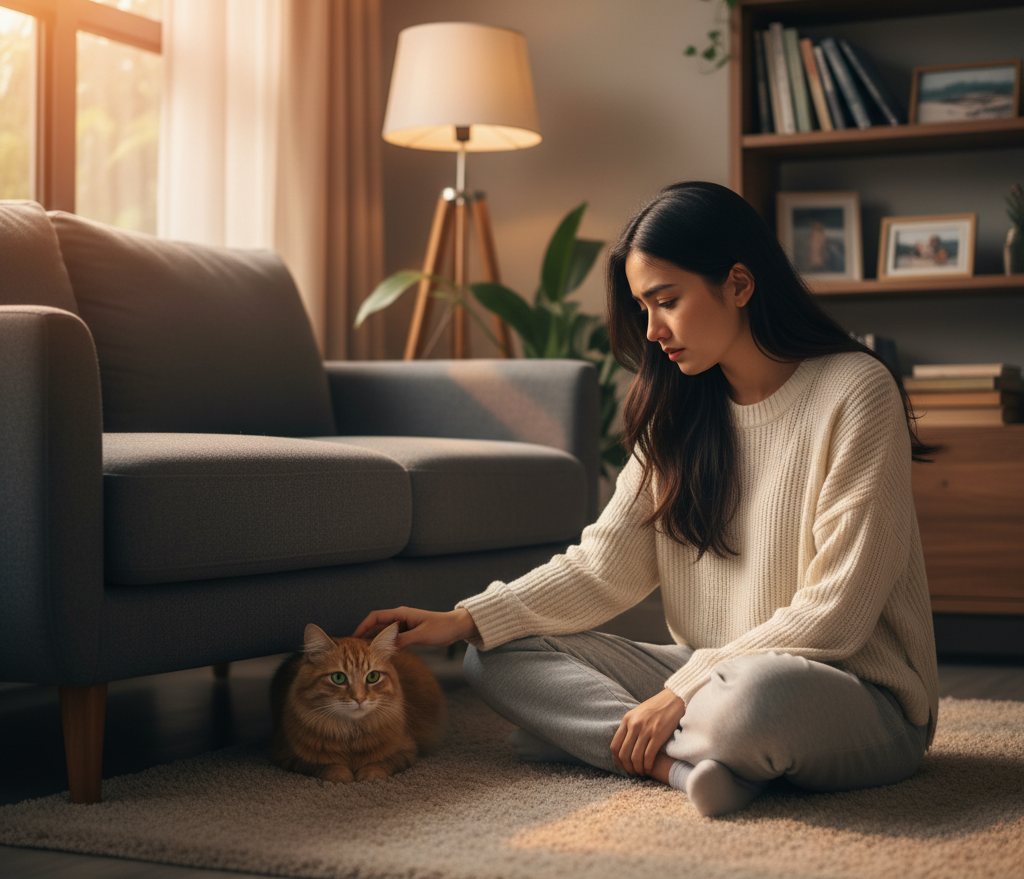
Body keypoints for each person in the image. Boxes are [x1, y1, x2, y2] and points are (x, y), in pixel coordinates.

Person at [355, 181, 939, 817]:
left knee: (753, 701)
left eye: (667, 301)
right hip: (707, 672)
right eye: (642, 308)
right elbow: (601, 567)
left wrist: (682, 691)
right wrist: (464, 619)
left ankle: (600, 736)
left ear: (739, 285)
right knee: (494, 656)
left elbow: (838, 612)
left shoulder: (856, 391)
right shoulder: (677, 410)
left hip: (847, 689)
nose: (653, 329)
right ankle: (677, 767)